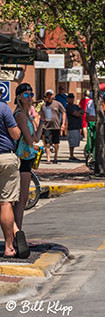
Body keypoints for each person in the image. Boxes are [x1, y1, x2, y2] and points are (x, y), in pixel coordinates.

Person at [13, 84, 42, 233]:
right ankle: (17, 234)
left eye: (31, 94)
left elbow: (36, 138)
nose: (30, 97)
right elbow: (30, 140)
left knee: (22, 199)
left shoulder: (27, 115)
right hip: (21, 160)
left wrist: (41, 121)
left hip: (27, 159)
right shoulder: (20, 115)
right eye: (26, 95)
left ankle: (18, 232)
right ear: (19, 97)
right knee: (21, 199)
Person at [0, 97, 27, 259]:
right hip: (5, 158)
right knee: (5, 202)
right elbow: (15, 134)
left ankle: (16, 231)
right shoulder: (3, 108)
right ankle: (9, 246)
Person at [40, 89, 66, 164]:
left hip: (56, 126)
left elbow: (64, 112)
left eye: (50, 95)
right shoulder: (43, 105)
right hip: (46, 126)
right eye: (47, 95)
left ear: (53, 96)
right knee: (47, 142)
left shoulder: (57, 104)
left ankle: (55, 156)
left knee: (56, 142)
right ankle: (48, 158)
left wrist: (63, 123)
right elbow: (41, 115)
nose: (49, 96)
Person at [64, 93, 84, 161]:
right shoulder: (68, 107)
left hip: (77, 126)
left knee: (76, 141)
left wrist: (80, 112)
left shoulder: (75, 106)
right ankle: (71, 155)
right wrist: (79, 113)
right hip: (72, 126)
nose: (71, 99)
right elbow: (77, 114)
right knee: (72, 142)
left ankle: (72, 155)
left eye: (72, 98)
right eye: (70, 98)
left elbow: (82, 111)